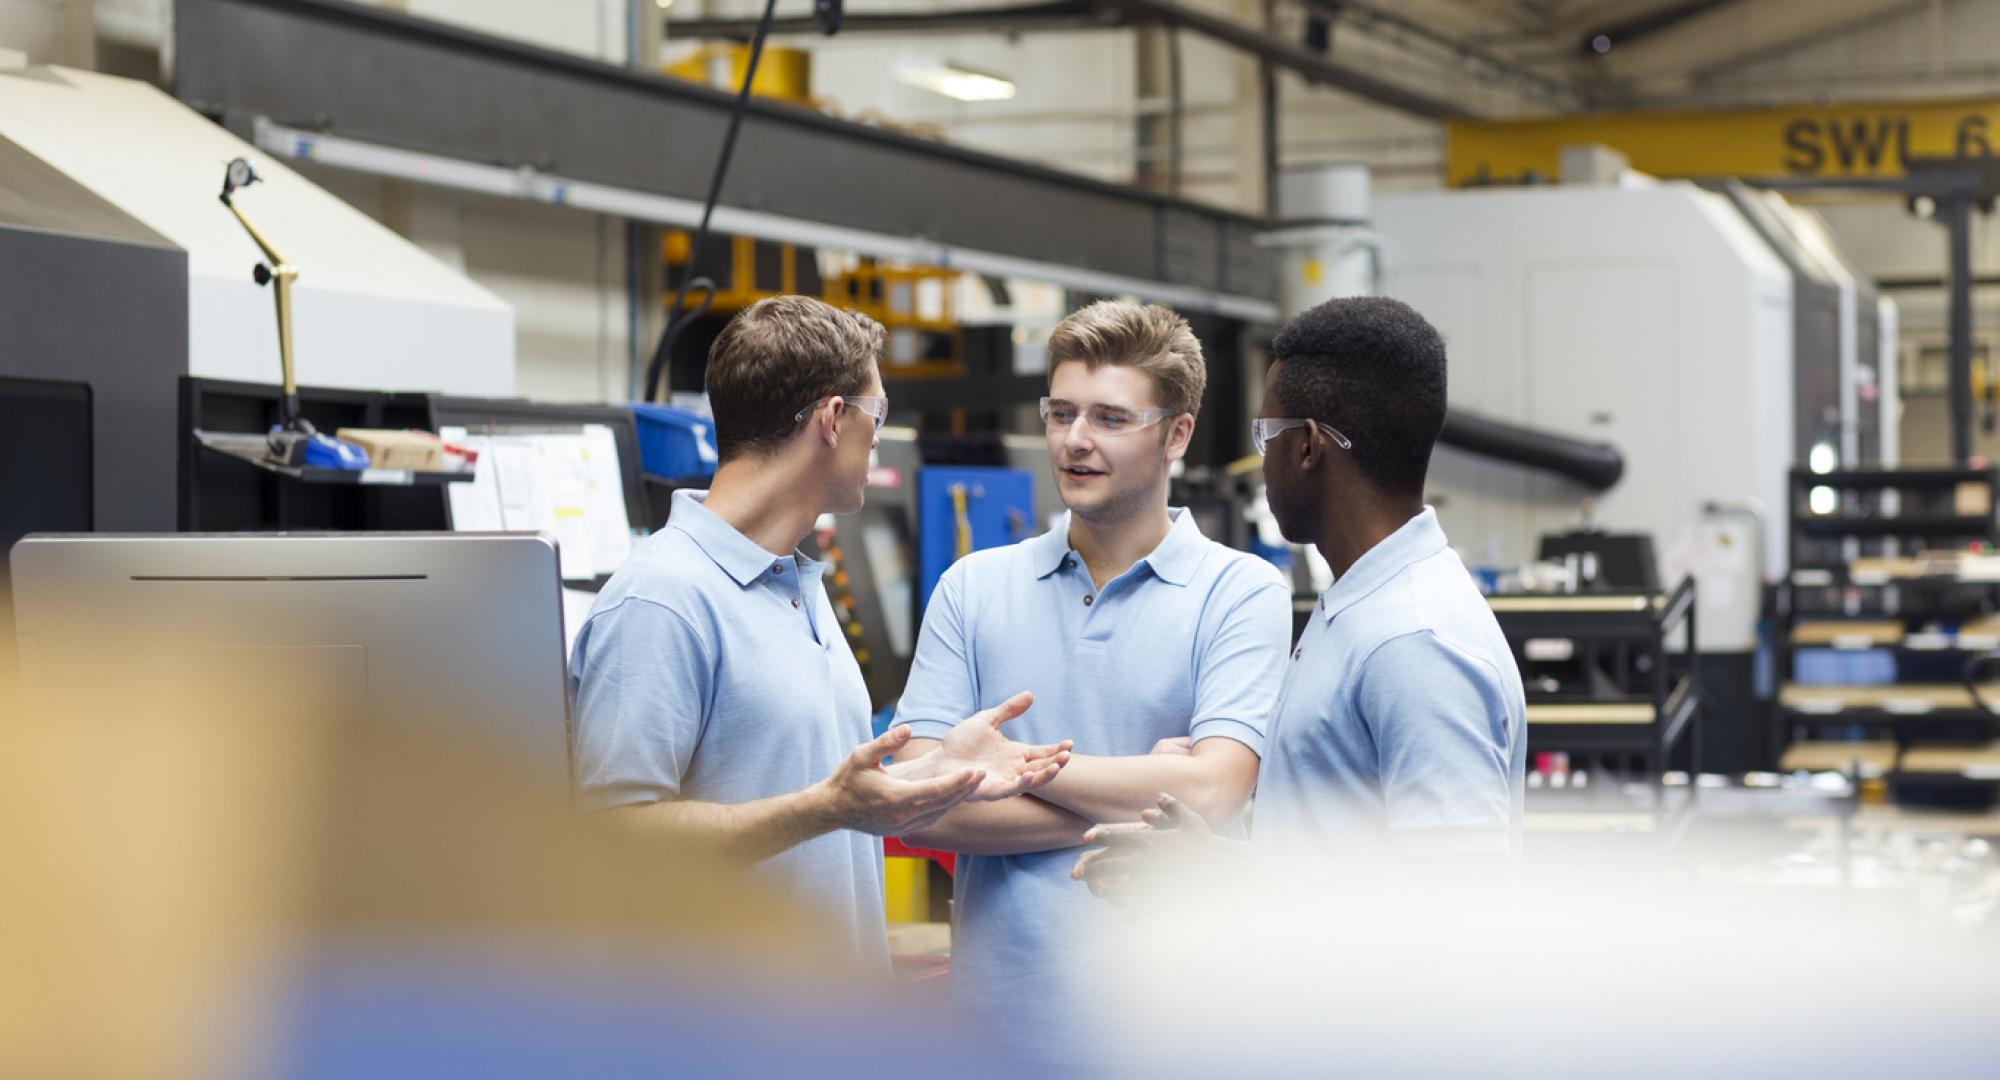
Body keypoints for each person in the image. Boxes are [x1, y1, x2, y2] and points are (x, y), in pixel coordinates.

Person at [569, 295, 1071, 968]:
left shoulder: (798, 587)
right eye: (878, 416)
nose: (879, 440)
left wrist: (933, 773)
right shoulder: (662, 600)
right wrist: (826, 808)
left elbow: (813, 789)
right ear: (834, 420)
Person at [889, 300, 1291, 1039]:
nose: (1075, 440)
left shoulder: (1241, 592)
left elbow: (1214, 791)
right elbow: (916, 807)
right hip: (1000, 1032)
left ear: (1177, 433)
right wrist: (1143, 782)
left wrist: (1003, 765)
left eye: (1110, 418)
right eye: (1061, 412)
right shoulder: (972, 588)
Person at [1073, 295, 1527, 892]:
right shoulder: (1359, 606)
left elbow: (1457, 904)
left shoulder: (1413, 641)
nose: (1263, 462)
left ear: (1307, 447)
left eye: (1267, 435)